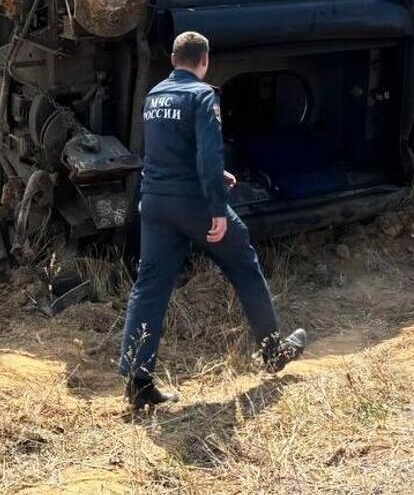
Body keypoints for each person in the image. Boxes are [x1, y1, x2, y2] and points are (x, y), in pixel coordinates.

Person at [118, 31, 306, 409]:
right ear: (204, 62)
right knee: (244, 265)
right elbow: (207, 153)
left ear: (173, 60)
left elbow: (161, 151)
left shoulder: (154, 96)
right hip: (194, 204)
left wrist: (215, 175)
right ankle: (272, 351)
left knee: (149, 287)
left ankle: (138, 382)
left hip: (154, 201)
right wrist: (217, 207)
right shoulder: (203, 95)